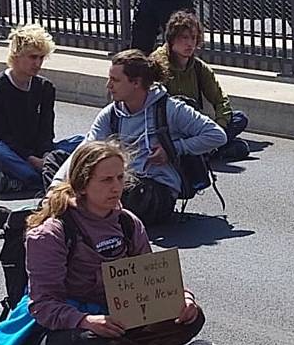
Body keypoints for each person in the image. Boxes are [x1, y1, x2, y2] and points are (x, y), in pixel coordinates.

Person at [0, 140, 219, 345]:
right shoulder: (51, 233)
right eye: (106, 180)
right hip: (59, 327)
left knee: (192, 318)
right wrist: (85, 320)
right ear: (82, 184)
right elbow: (44, 306)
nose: (116, 187)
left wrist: (183, 300)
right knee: (88, 342)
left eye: (120, 178)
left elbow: (151, 281)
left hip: (116, 316)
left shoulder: (128, 223)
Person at [55, 50, 226, 228]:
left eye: (115, 80)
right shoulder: (111, 114)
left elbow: (216, 135)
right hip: (119, 182)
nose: (108, 85)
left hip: (155, 189)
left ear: (136, 83)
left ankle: (84, 214)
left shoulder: (170, 109)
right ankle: (72, 209)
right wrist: (56, 186)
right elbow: (85, 150)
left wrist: (173, 149)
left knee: (123, 192)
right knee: (56, 159)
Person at [0, 25, 83, 195]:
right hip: (7, 155)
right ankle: (49, 178)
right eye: (33, 57)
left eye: (41, 58)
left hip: (37, 153)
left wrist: (47, 156)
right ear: (17, 55)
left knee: (83, 141)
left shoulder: (45, 87)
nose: (38, 63)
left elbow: (46, 131)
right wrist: (32, 160)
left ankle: (28, 179)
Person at [151, 10, 250, 163]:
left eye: (194, 38)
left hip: (194, 125)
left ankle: (208, 150)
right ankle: (206, 151)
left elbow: (220, 100)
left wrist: (220, 126)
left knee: (239, 118)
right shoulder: (157, 65)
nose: (190, 43)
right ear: (171, 39)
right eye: (184, 38)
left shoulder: (198, 67)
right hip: (169, 127)